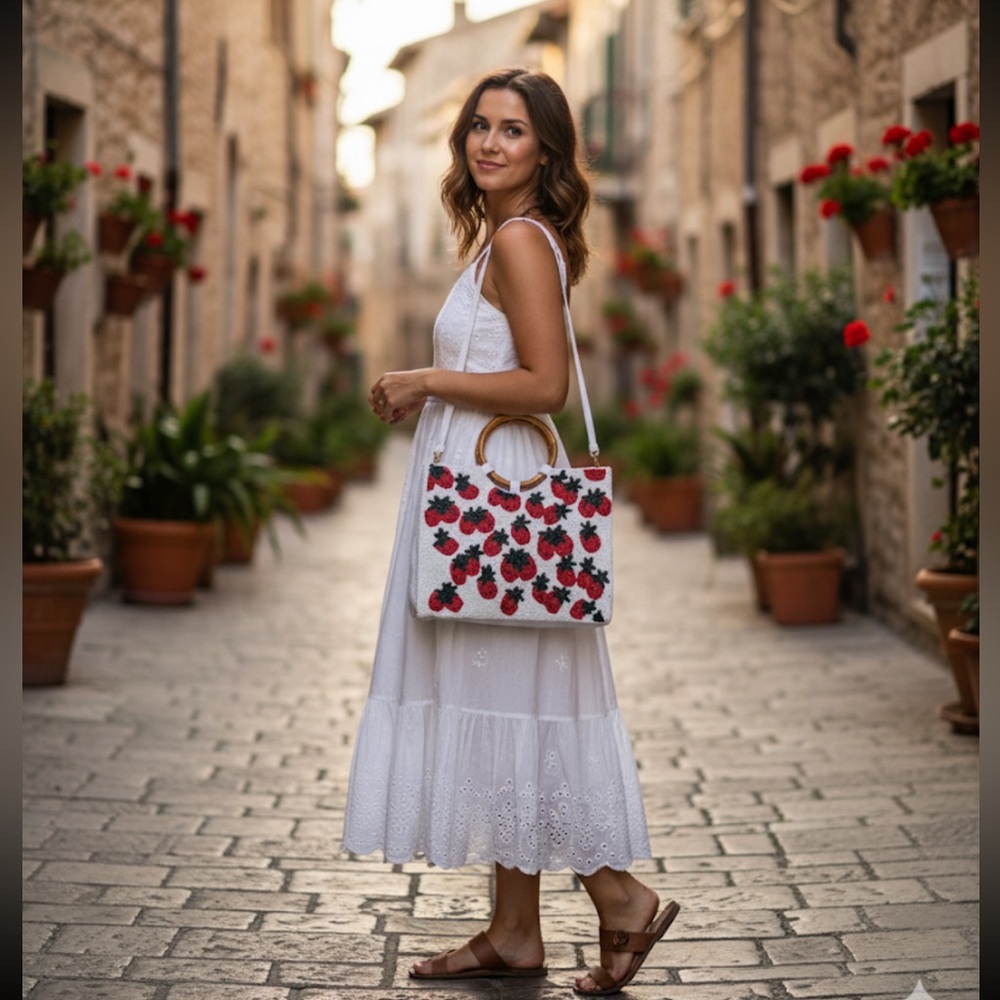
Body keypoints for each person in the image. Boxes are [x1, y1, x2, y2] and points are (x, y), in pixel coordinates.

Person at [341, 66, 679, 996]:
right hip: (482, 498)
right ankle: (515, 931)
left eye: (513, 130)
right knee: (504, 702)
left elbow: (544, 387)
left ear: (546, 150)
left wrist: (425, 381)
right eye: (479, 127)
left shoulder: (523, 242)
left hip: (499, 509)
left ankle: (618, 898)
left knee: (512, 705)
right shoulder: (503, 238)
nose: (489, 143)